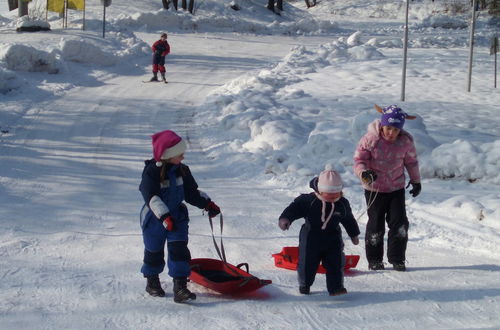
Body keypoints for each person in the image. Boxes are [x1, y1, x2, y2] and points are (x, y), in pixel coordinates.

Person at [139, 130, 221, 303]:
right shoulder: (151, 172)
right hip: (154, 219)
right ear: (167, 155)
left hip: (177, 217)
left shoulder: (182, 170)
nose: (182, 157)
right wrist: (164, 216)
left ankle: (180, 287)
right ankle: (152, 281)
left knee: (179, 251)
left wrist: (207, 204)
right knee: (153, 250)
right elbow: (151, 197)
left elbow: (191, 193)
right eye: (179, 154)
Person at [353, 104, 421, 272]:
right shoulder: (370, 139)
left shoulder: (405, 142)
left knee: (400, 224)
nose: (391, 133)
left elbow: (411, 162)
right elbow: (359, 160)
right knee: (376, 225)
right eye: (388, 128)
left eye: (396, 130)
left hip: (396, 188)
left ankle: (397, 258)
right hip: (374, 189)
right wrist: (364, 173)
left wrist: (416, 180)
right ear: (382, 125)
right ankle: (375, 259)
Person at [278, 165, 360, 296]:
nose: (333, 198)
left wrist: (354, 234)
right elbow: (294, 208)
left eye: (336, 194)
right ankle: (305, 284)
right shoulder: (309, 201)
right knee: (307, 263)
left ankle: (336, 288)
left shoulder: (342, 203)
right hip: (311, 237)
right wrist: (285, 218)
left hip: (333, 237)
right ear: (320, 190)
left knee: (336, 262)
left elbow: (349, 219)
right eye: (329, 195)